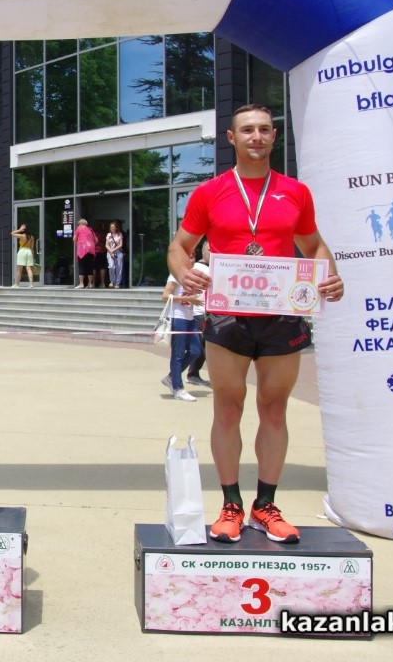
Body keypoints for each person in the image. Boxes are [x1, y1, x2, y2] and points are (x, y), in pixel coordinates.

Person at [167, 104, 344, 545]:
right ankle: (231, 505)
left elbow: (314, 245)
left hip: (282, 315)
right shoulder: (210, 192)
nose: (257, 137)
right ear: (232, 138)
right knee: (227, 407)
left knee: (274, 408)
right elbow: (179, 246)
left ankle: (265, 506)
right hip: (229, 316)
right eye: (247, 130)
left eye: (264, 129)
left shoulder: (295, 192)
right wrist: (184, 271)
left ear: (274, 136)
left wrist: (329, 276)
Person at [160, 266, 203, 403]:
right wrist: (188, 298)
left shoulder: (193, 275)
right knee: (178, 353)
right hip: (178, 317)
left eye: (193, 257)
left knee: (195, 351)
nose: (191, 259)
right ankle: (178, 388)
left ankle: (171, 377)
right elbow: (165, 296)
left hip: (191, 317)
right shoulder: (175, 275)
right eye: (188, 256)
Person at [184, 240, 211, 387]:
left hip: (207, 311)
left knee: (204, 345)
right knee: (202, 346)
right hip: (199, 313)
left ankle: (193, 373)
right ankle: (192, 374)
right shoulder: (198, 268)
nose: (212, 253)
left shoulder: (212, 267)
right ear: (203, 251)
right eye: (210, 250)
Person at [74, 218, 97, 289]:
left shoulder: (79, 228)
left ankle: (81, 284)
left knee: (82, 266)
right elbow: (96, 240)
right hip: (91, 250)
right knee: (90, 267)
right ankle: (90, 284)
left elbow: (74, 239)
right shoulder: (90, 229)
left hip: (82, 250)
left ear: (80, 223)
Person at [106, 221, 125, 289]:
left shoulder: (119, 234)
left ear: (116, 228)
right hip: (110, 253)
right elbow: (106, 245)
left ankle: (117, 283)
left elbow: (120, 244)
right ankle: (112, 281)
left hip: (118, 252)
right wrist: (110, 251)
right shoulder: (109, 235)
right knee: (111, 266)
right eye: (110, 227)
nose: (111, 228)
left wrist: (113, 250)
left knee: (118, 268)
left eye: (113, 227)